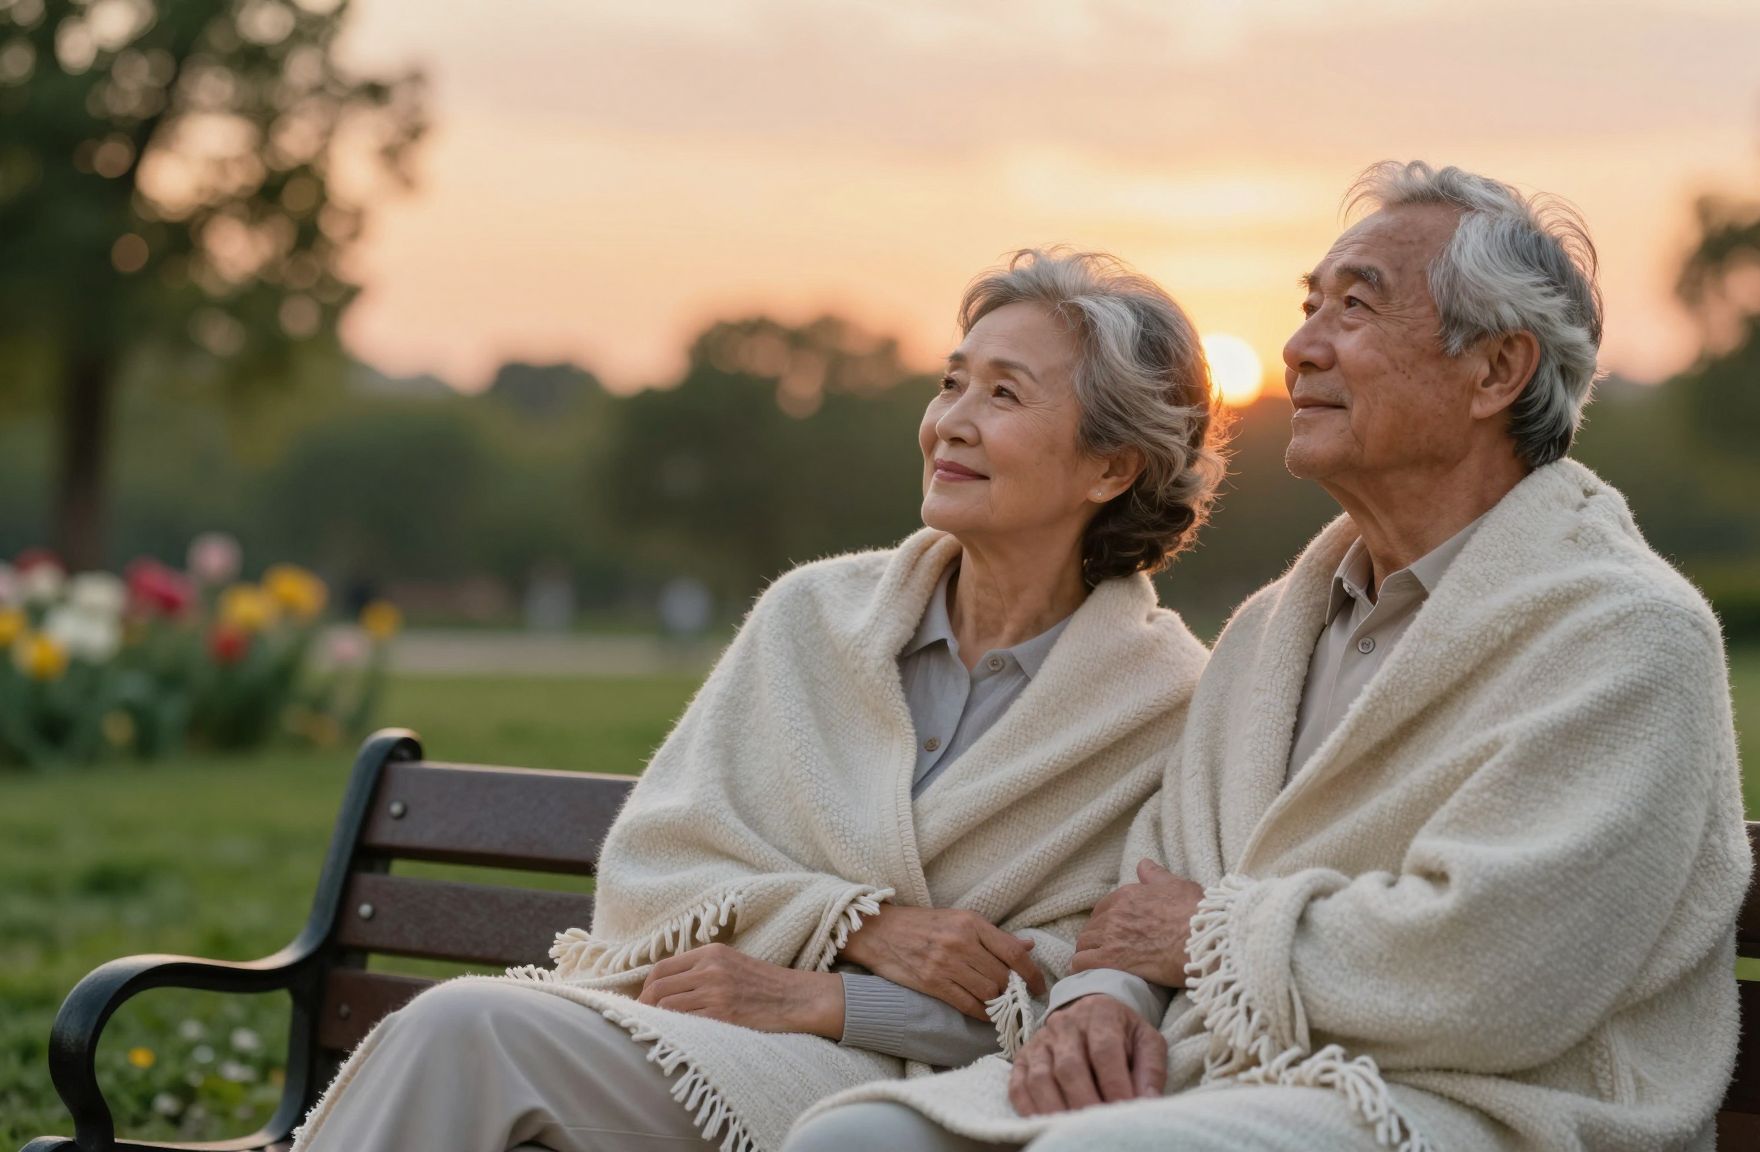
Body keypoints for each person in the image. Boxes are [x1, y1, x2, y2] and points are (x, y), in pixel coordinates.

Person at [787, 161, 1752, 1152]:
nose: (1300, 347)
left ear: (1496, 371)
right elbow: (1149, 889)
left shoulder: (1625, 637)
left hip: (1479, 1108)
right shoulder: (1266, 635)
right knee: (853, 1142)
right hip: (1226, 1074)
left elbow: (1499, 970)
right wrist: (1098, 1004)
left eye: (1355, 307)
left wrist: (1206, 935)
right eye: (1308, 306)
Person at [290, 248, 1226, 1152]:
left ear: (1111, 468)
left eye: (1004, 394)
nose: (951, 422)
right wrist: (862, 925)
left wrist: (826, 998)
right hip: (708, 1045)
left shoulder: (1169, 705)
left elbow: (1092, 991)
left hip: (936, 1102)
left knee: (469, 1032)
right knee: (461, 1027)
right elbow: (655, 868)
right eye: (952, 383)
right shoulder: (810, 616)